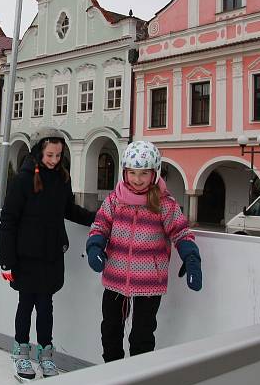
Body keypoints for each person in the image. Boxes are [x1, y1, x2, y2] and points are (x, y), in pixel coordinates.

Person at [86, 140, 202, 363]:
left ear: (154, 174)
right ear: (124, 172)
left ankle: (139, 378)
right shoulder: (114, 200)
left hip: (149, 282)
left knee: (142, 335)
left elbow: (181, 232)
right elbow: (100, 226)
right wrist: (95, 247)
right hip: (115, 279)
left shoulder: (164, 204)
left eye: (143, 173)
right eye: (132, 173)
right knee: (110, 330)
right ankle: (113, 373)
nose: (137, 179)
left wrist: (191, 258)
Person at [0, 127, 94, 381]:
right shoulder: (23, 180)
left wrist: (97, 219)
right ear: (39, 152)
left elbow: (68, 210)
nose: (54, 160)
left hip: (51, 256)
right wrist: (6, 260)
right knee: (25, 305)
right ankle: (20, 352)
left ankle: (46, 355)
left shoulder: (62, 178)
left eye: (58, 155)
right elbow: (8, 220)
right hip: (26, 257)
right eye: (50, 155)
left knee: (46, 307)